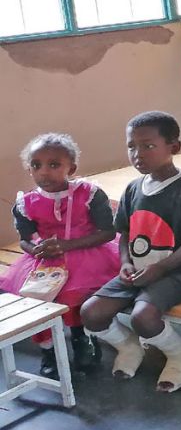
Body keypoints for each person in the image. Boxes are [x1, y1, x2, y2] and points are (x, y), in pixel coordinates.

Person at [81, 112, 181, 393]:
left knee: (143, 317)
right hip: (138, 270)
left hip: (180, 272)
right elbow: (125, 234)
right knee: (91, 313)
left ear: (173, 148)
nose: (138, 154)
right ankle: (130, 347)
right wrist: (126, 262)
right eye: (132, 146)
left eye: (148, 146)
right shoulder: (133, 189)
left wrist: (162, 268)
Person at [1, 133, 118, 376]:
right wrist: (36, 250)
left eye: (54, 165)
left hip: (86, 252)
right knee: (34, 296)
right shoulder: (27, 202)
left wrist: (67, 245)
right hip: (46, 259)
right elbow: (25, 238)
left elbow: (107, 232)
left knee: (73, 293)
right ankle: (48, 349)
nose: (44, 172)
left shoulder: (89, 195)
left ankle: (82, 339)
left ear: (71, 168)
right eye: (36, 165)